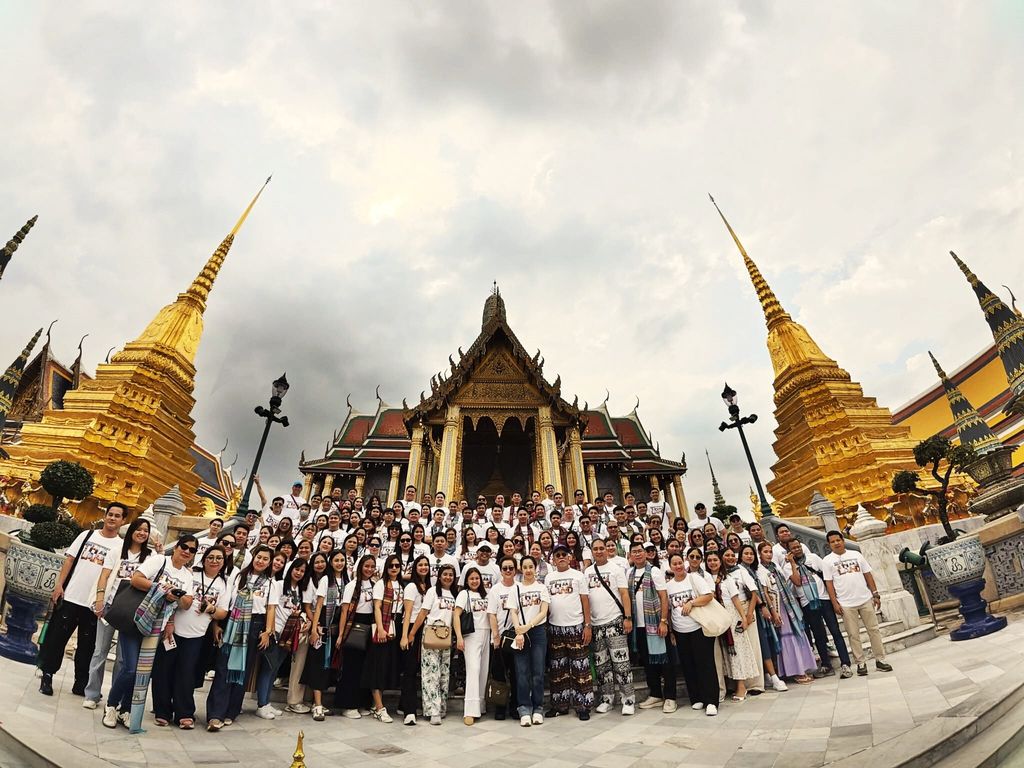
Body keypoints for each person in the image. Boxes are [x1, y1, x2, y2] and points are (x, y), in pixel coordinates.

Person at [103, 534, 196, 729]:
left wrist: (174, 596)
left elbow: (187, 603)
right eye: (184, 547)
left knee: (141, 671)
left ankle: (126, 709)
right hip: (136, 618)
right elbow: (136, 579)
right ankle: (111, 705)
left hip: (156, 628)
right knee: (129, 667)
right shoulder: (160, 560)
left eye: (192, 550)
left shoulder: (188, 576)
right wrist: (161, 588)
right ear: (177, 547)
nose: (187, 551)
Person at [38, 502, 126, 697]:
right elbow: (69, 559)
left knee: (88, 646)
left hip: (95, 604)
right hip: (71, 596)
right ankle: (47, 675)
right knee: (57, 640)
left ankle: (81, 683)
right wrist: (59, 585)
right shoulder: (87, 536)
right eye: (110, 514)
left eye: (117, 516)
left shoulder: (121, 547)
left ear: (123, 520)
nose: (112, 518)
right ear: (105, 516)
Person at [152, 544, 230, 728]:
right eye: (211, 557)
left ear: (223, 562)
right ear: (204, 559)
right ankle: (162, 710)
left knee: (186, 674)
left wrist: (211, 609)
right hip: (174, 628)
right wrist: (170, 622)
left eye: (219, 558)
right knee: (164, 670)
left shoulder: (224, 584)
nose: (214, 561)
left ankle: (184, 712)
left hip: (197, 635)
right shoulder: (190, 574)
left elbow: (223, 613)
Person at [83, 516, 151, 709]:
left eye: (145, 530)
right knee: (100, 652)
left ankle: (116, 698)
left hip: (131, 611)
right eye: (139, 529)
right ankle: (92, 694)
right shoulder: (116, 551)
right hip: (110, 606)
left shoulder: (150, 557)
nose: (142, 533)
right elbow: (104, 576)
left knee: (123, 659)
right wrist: (99, 600)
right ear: (131, 531)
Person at [206, 545, 274, 731]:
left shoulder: (270, 583)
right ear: (253, 557)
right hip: (232, 624)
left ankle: (231, 711)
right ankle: (215, 714)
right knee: (223, 668)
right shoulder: (237, 576)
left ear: (269, 563)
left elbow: (270, 608)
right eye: (258, 557)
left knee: (242, 670)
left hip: (254, 627)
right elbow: (225, 601)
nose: (261, 561)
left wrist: (267, 631)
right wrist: (216, 625)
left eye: (265, 559)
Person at [822, 531, 892, 677]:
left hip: (865, 599)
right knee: (853, 634)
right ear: (829, 544)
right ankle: (860, 662)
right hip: (846, 603)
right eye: (832, 541)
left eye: (838, 540)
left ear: (843, 540)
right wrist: (835, 603)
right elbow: (829, 584)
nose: (836, 543)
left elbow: (868, 575)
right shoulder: (827, 561)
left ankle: (880, 659)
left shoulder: (856, 555)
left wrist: (875, 594)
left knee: (873, 630)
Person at [782, 538, 852, 679]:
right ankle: (826, 665)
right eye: (793, 548)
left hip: (824, 598)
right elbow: (797, 581)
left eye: (798, 546)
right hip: (807, 602)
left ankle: (845, 662)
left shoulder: (813, 558)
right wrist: (792, 563)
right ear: (789, 551)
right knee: (818, 635)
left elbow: (827, 576)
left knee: (835, 631)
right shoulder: (787, 566)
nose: (797, 549)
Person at [543, 544, 594, 720]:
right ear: (553, 559)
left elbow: (585, 601)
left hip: (576, 625)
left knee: (580, 668)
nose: (561, 557)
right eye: (557, 555)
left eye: (564, 554)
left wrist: (587, 625)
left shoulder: (578, 576)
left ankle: (583, 706)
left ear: (570, 557)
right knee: (558, 670)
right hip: (555, 627)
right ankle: (560, 705)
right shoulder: (549, 578)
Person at [585, 538, 635, 715]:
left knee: (621, 663)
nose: (599, 551)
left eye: (601, 548)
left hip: (615, 621)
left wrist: (628, 617)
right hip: (597, 624)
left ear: (607, 550)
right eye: (595, 549)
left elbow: (624, 594)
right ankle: (607, 698)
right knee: (601, 665)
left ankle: (628, 699)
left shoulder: (616, 569)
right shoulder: (588, 572)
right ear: (592, 551)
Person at [666, 551, 719, 716]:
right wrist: (671, 631)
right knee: (688, 665)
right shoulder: (669, 586)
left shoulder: (694, 578)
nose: (678, 566)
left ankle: (711, 701)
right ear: (670, 567)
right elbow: (668, 610)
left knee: (705, 664)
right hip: (680, 630)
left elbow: (709, 596)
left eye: (680, 563)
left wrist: (692, 602)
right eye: (674, 564)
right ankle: (696, 698)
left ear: (684, 562)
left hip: (698, 628)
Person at [757, 541, 815, 684]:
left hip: (788, 604)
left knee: (798, 634)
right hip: (777, 607)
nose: (769, 554)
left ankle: (803, 667)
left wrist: (792, 563)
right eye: (765, 552)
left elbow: (795, 580)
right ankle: (795, 671)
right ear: (759, 554)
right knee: (786, 638)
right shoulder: (760, 570)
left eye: (770, 551)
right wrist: (773, 611)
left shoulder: (775, 566)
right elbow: (764, 592)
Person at [627, 542, 675, 713]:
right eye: (634, 552)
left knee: (664, 660)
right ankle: (655, 693)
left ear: (646, 554)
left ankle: (670, 697)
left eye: (640, 551)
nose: (638, 554)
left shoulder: (654, 571)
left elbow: (663, 596)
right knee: (648, 661)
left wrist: (663, 621)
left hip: (655, 623)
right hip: (639, 625)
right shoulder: (629, 573)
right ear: (630, 555)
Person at [411, 563, 457, 725]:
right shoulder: (432, 592)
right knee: (431, 673)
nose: (448, 577)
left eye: (451, 575)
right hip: (431, 632)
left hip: (446, 635)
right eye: (445, 574)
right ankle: (433, 710)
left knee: (444, 673)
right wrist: (411, 633)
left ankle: (442, 707)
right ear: (439, 576)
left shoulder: (454, 593)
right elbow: (423, 612)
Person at [360, 554, 403, 723]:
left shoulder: (402, 585)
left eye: (397, 566)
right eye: (391, 565)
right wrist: (380, 628)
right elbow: (377, 607)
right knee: (377, 667)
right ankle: (379, 708)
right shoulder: (380, 584)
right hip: (383, 627)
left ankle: (375, 703)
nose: (394, 568)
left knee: (387, 667)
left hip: (396, 627)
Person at [304, 550, 346, 722]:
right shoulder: (325, 579)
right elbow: (319, 605)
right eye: (336, 560)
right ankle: (318, 705)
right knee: (318, 664)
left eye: (342, 560)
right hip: (323, 624)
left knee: (329, 666)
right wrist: (314, 629)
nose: (339, 563)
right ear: (331, 562)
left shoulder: (346, 580)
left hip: (336, 626)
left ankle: (318, 703)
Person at [508, 555, 550, 727]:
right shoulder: (515, 589)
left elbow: (543, 611)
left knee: (538, 672)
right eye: (524, 567)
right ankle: (524, 707)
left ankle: (538, 707)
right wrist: (519, 630)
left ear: (536, 568)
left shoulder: (542, 588)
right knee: (522, 672)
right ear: (521, 569)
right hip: (521, 633)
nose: (528, 570)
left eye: (531, 567)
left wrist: (529, 626)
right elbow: (513, 612)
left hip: (538, 632)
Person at [335, 554, 377, 718]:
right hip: (354, 624)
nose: (369, 569)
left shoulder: (374, 585)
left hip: (369, 624)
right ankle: (348, 704)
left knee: (365, 667)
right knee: (352, 666)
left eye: (372, 566)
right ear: (360, 567)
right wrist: (341, 634)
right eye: (366, 566)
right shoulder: (352, 585)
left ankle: (362, 702)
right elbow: (345, 610)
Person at [720, 547, 764, 701]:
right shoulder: (720, 574)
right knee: (737, 649)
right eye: (727, 555)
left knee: (752, 646)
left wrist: (749, 614)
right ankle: (738, 684)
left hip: (745, 608)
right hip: (729, 611)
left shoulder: (741, 570)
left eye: (733, 555)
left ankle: (755, 684)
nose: (731, 558)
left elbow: (754, 592)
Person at [454, 567, 491, 725]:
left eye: (477, 578)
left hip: (486, 633)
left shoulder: (486, 594)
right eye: (471, 579)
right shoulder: (464, 594)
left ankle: (480, 705)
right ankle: (469, 710)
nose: (475, 581)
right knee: (473, 670)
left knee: (483, 671)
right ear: (467, 581)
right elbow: (456, 615)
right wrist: (459, 637)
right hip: (471, 635)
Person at [486, 555, 520, 721]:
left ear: (515, 570)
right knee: (499, 675)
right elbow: (491, 614)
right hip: (499, 637)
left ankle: (514, 706)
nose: (508, 571)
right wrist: (496, 636)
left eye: (511, 568)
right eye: (505, 568)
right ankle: (500, 707)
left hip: (516, 638)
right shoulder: (495, 590)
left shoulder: (519, 588)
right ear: (500, 571)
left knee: (516, 675)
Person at [399, 555, 432, 725]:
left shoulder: (429, 586)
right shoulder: (412, 586)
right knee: (410, 670)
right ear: (415, 567)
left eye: (426, 565)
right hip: (412, 627)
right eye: (420, 565)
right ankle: (409, 712)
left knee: (419, 669)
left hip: (426, 630)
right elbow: (408, 612)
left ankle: (404, 703)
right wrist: (406, 635)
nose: (424, 567)